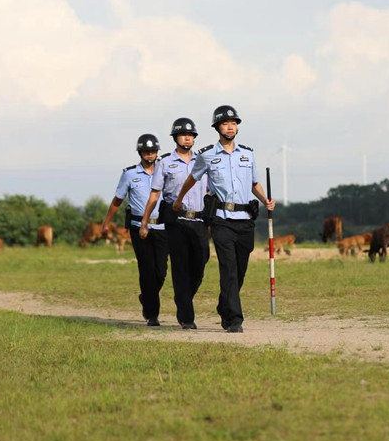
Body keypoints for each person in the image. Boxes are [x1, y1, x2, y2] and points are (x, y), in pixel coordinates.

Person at [172, 105, 275, 333]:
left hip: (245, 219)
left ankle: (224, 305)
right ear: (217, 127)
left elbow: (254, 183)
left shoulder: (247, 154)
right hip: (221, 220)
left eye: (234, 123)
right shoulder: (207, 155)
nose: (231, 127)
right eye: (226, 123)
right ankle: (234, 320)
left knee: (239, 271)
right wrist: (179, 199)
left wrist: (266, 199)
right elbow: (192, 179)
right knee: (228, 268)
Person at [140, 117, 209, 330]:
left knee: (200, 263)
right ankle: (186, 317)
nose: (187, 138)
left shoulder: (204, 160)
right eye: (183, 135)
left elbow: (212, 189)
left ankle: (183, 297)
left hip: (198, 219)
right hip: (175, 220)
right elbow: (155, 194)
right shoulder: (165, 163)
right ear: (175, 138)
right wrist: (144, 222)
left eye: (190, 135)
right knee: (180, 266)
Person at [102, 134, 167, 327]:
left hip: (162, 227)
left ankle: (146, 297)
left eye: (153, 151)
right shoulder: (129, 174)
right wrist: (107, 221)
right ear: (140, 153)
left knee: (161, 272)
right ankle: (152, 313)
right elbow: (118, 199)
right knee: (146, 270)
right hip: (139, 228)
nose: (150, 155)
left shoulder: (164, 171)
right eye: (146, 151)